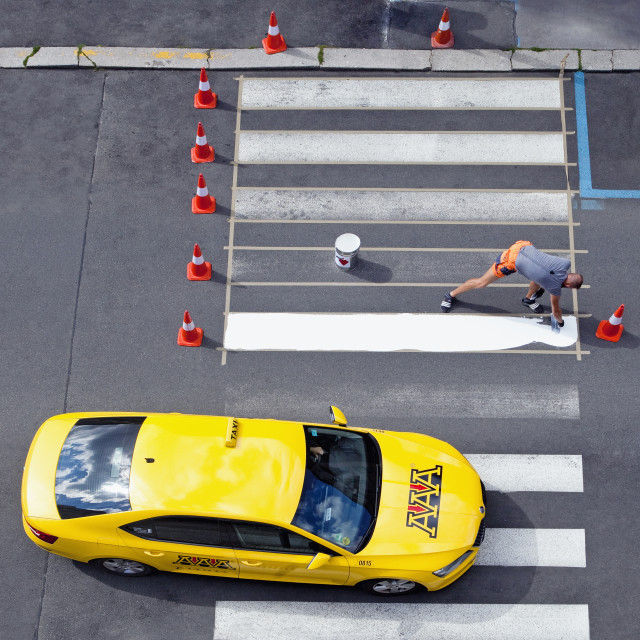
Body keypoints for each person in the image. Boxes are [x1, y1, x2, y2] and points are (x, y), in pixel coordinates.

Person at [440, 240, 583, 328]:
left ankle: (528, 299)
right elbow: (556, 311)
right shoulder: (554, 288)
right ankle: (450, 295)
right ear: (569, 286)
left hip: (524, 246)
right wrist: (560, 322)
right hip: (511, 261)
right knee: (481, 283)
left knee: (539, 278)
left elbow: (544, 272)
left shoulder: (565, 263)